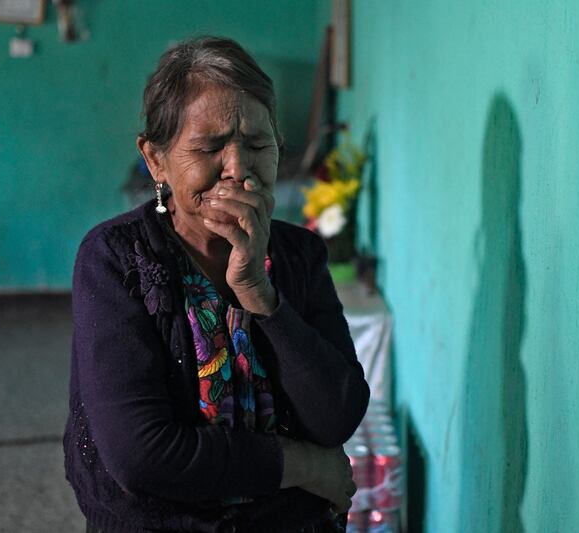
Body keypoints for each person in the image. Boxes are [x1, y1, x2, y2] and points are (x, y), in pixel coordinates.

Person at [63, 36, 370, 533]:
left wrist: (259, 295)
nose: (237, 170)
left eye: (257, 145)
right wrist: (306, 466)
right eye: (209, 148)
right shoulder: (115, 260)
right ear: (156, 160)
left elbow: (337, 416)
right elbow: (143, 456)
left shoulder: (298, 255)